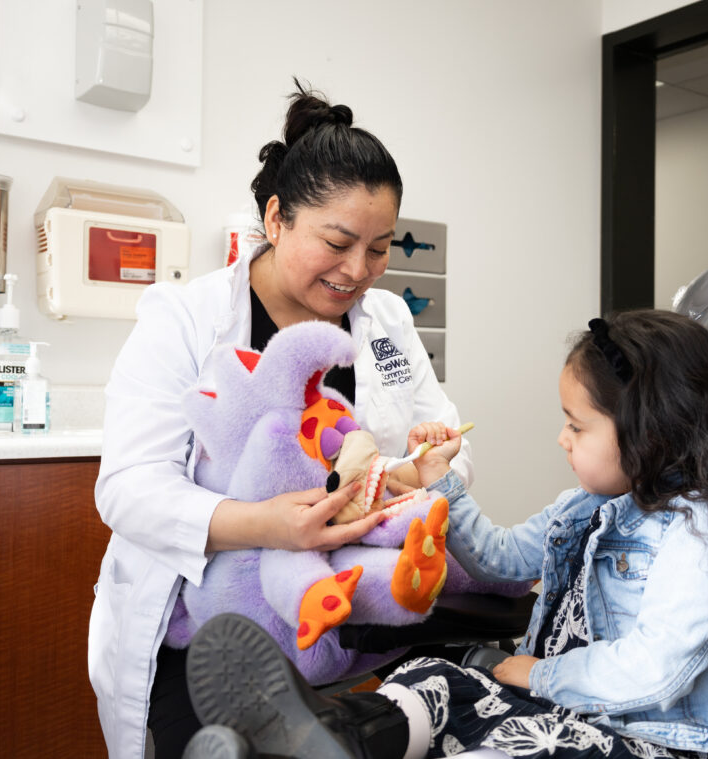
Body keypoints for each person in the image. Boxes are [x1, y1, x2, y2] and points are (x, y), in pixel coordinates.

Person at [183, 309, 708, 759]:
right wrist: (439, 481)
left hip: (664, 739)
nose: (561, 438)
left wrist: (543, 672)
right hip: (578, 705)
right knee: (435, 676)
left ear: (652, 429)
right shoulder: (588, 504)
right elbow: (501, 561)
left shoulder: (700, 536)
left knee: (513, 744)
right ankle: (335, 733)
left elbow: (654, 670)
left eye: (576, 425)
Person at [88, 80, 473, 759]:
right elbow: (128, 487)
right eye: (338, 241)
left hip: (347, 617)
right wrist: (270, 525)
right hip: (209, 630)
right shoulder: (186, 319)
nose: (359, 270)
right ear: (275, 219)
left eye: (380, 247)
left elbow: (446, 445)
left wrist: (421, 467)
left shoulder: (386, 320)